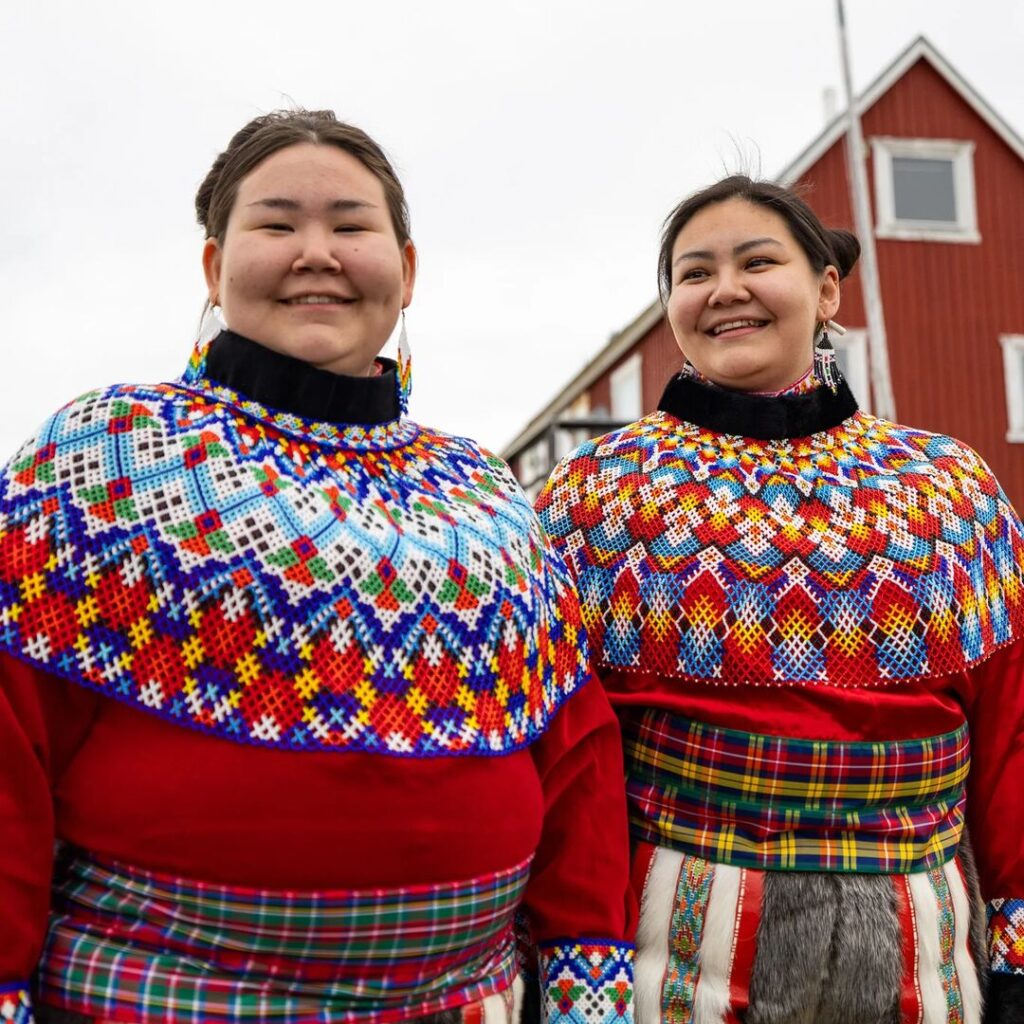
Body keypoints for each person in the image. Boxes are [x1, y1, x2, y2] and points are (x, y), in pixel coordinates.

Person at [0, 109, 635, 1024]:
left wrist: (588, 988)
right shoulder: (105, 454)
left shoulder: (483, 495)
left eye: (349, 224)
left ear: (406, 272)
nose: (315, 252)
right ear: (215, 268)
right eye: (275, 223)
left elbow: (574, 757)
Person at [537, 175, 1024, 1024]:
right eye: (693, 274)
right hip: (672, 954)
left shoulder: (947, 487)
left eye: (757, 261)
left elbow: (1012, 731)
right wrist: (576, 971)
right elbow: (563, 748)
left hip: (923, 951)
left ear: (827, 288)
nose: (724, 290)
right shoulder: (596, 493)